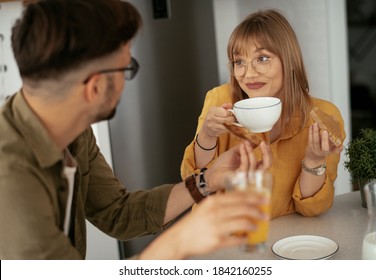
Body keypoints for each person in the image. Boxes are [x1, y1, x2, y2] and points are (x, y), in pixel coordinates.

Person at [0, 0, 272, 260]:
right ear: (94, 88)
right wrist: (178, 242)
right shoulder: (11, 176)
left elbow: (116, 213)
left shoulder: (74, 132)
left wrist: (207, 179)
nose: (125, 81)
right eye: (126, 68)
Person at [181, 9, 346, 218]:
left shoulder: (324, 116)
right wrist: (207, 136)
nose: (248, 74)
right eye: (239, 62)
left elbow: (311, 209)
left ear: (290, 60)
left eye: (262, 58)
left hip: (287, 240)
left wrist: (314, 160)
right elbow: (195, 189)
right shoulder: (219, 100)